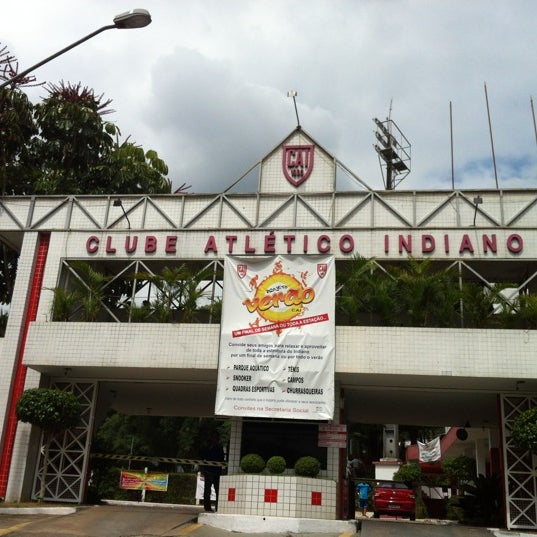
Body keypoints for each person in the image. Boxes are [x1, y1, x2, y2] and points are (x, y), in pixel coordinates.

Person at [201, 431, 225, 512]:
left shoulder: (219, 447)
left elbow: (222, 459)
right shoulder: (207, 447)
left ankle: (218, 507)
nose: (215, 439)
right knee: (207, 490)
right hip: (208, 471)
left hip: (217, 472)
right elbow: (202, 458)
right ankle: (207, 507)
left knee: (218, 490)